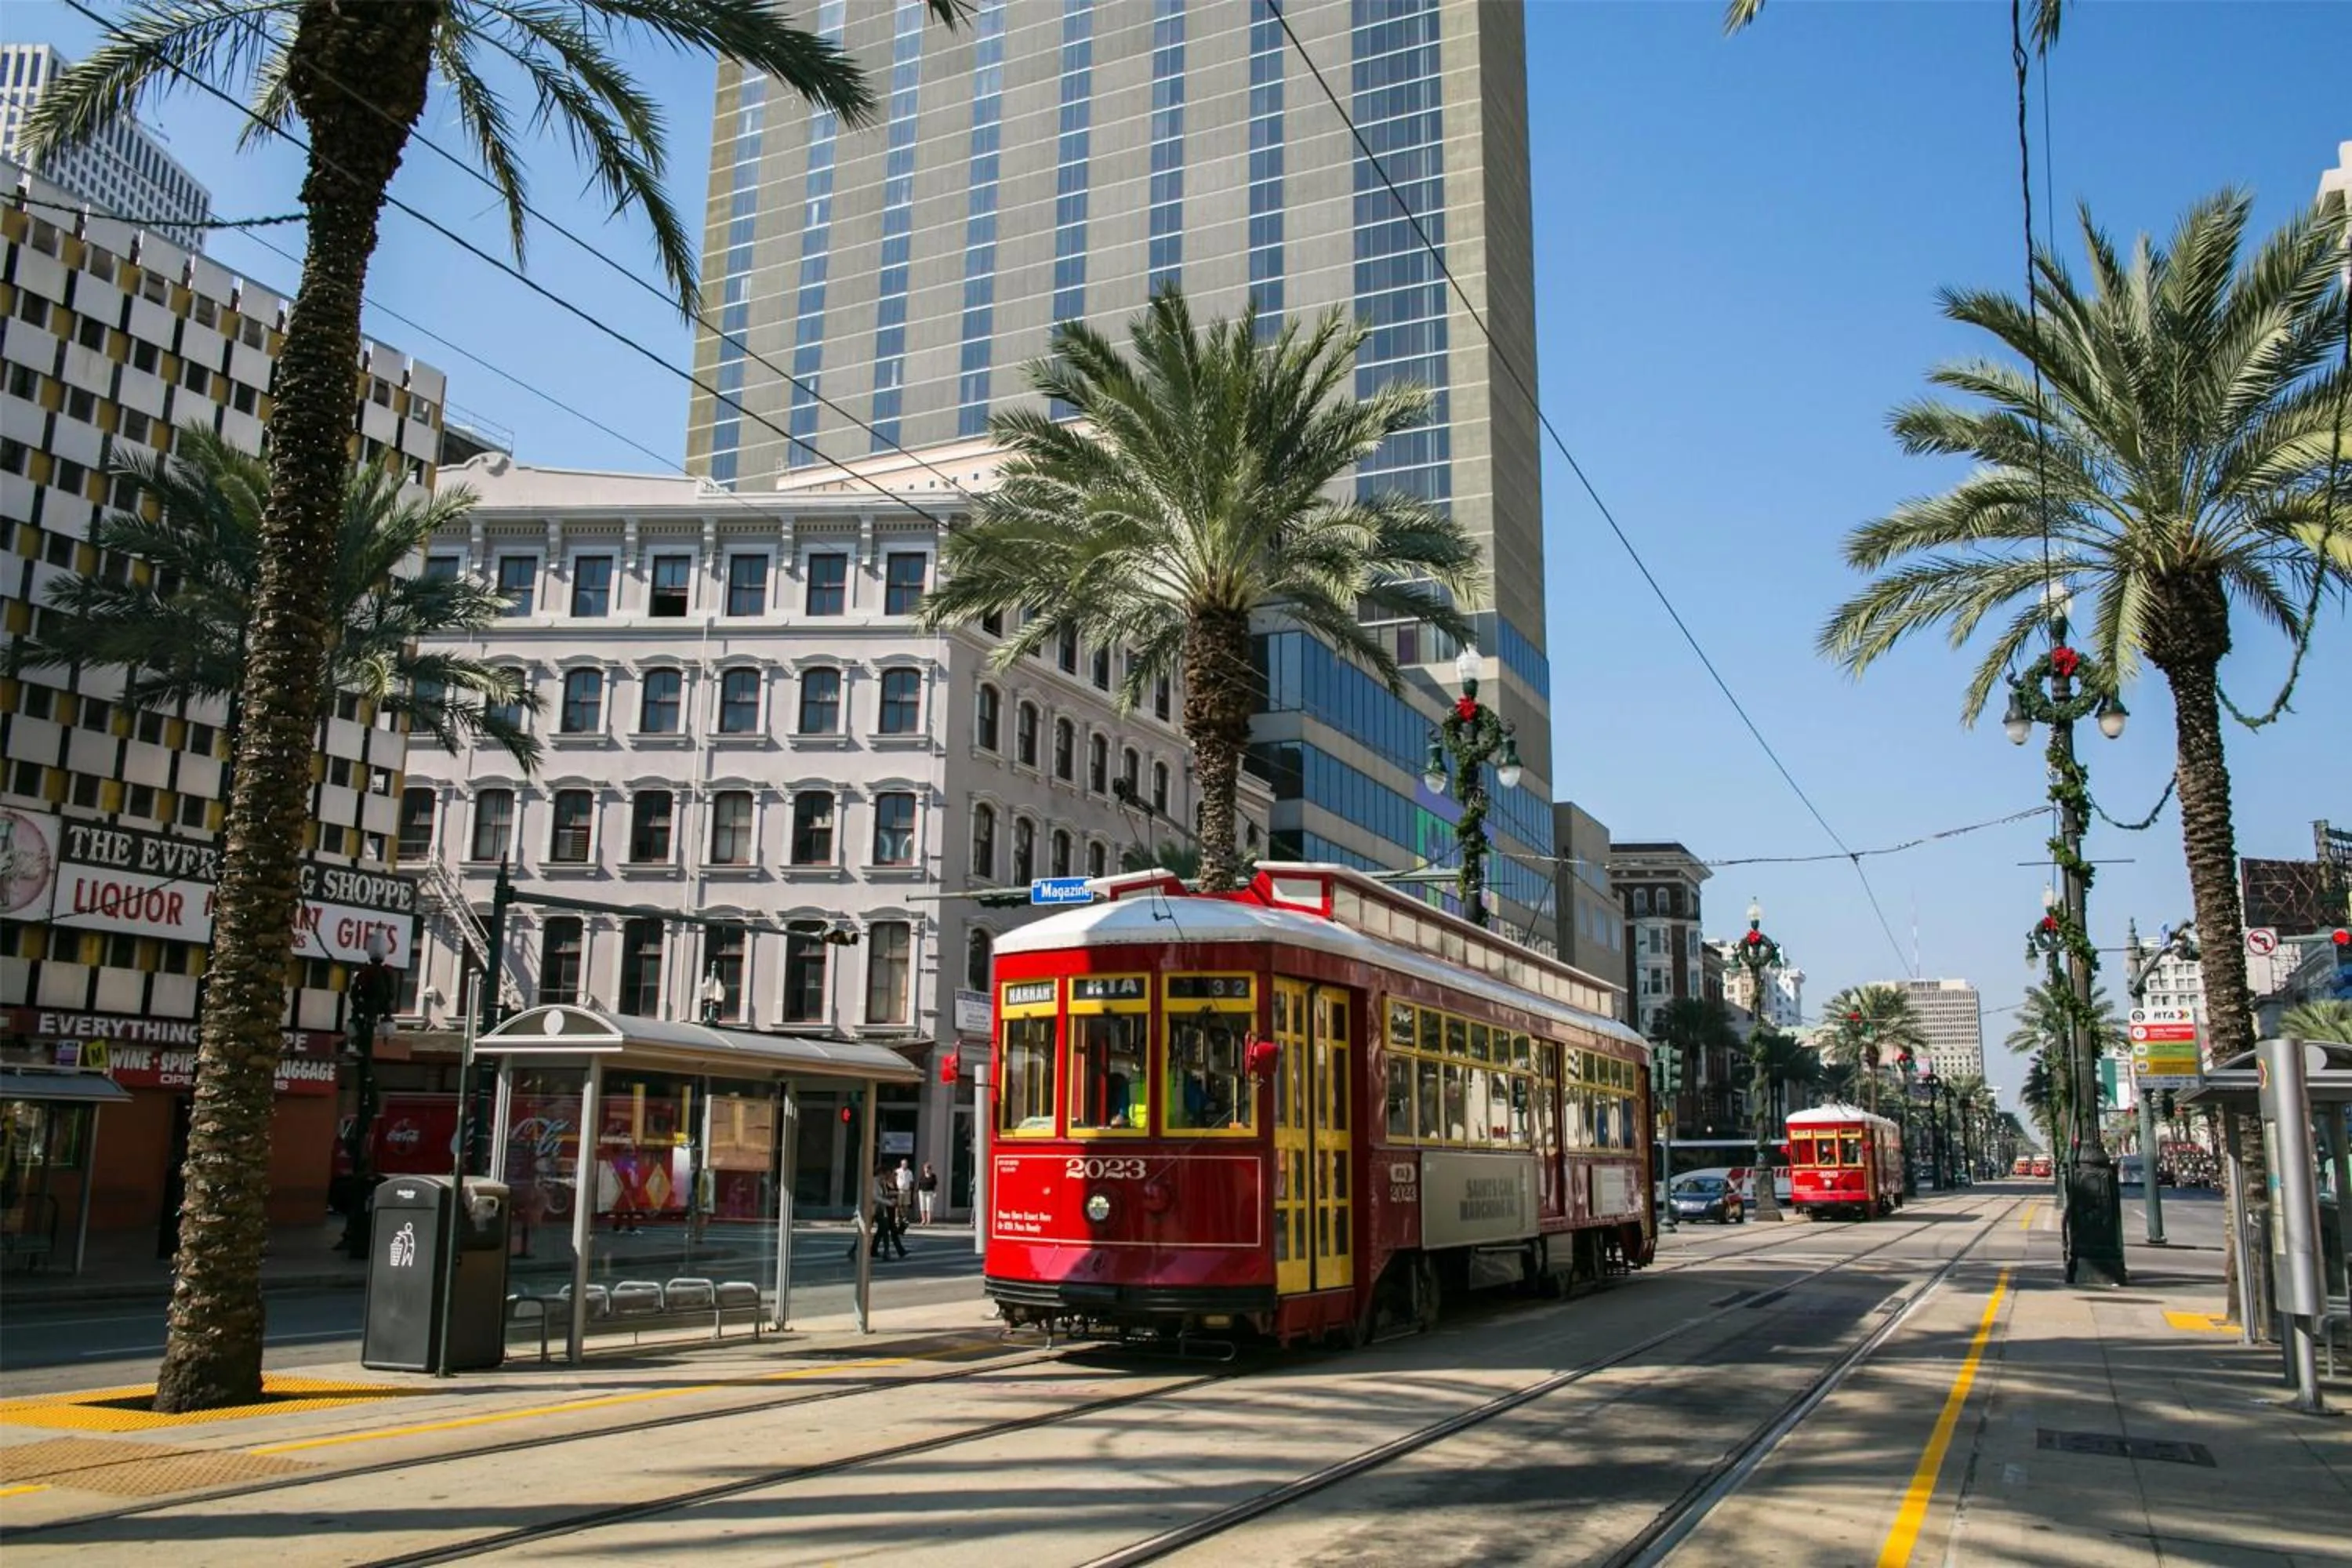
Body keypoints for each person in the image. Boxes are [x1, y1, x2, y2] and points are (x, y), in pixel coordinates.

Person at [917, 1161, 939, 1225]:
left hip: (930, 1193)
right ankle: (923, 1220)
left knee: (929, 1206)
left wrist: (935, 1193)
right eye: (926, 1168)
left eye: (928, 1168)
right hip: (922, 1192)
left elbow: (935, 1185)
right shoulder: (922, 1176)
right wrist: (917, 1192)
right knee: (922, 1206)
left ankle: (929, 1220)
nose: (927, 1170)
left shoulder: (933, 1176)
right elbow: (919, 1185)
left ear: (930, 1169)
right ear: (924, 1169)